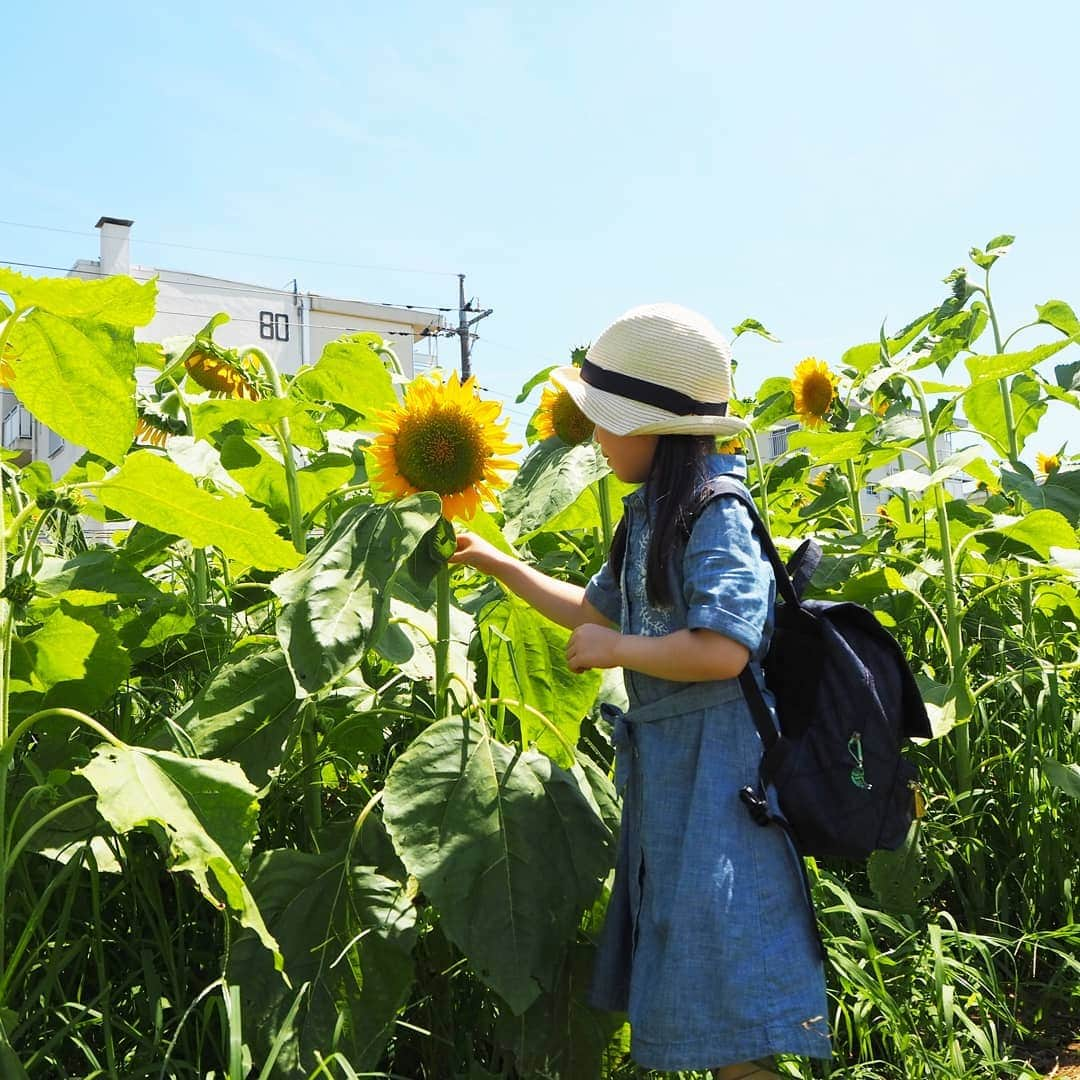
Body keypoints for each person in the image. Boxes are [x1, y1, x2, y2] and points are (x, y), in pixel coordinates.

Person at [451, 303, 831, 1079]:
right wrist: (499, 564)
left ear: (655, 428)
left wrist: (619, 649)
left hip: (725, 782)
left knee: (725, 967)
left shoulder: (717, 511)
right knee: (700, 967)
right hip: (673, 775)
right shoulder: (652, 514)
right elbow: (592, 611)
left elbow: (724, 649)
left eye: (606, 421)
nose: (594, 436)